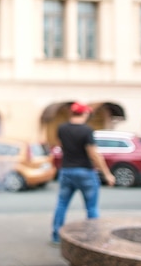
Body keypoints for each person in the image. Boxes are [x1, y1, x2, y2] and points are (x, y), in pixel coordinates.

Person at [51, 102, 116, 245]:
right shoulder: (87, 131)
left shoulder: (62, 129)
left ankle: (56, 236)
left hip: (66, 170)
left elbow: (60, 145)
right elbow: (94, 154)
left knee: (62, 204)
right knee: (91, 208)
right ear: (85, 114)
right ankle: (93, 238)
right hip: (85, 172)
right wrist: (107, 174)